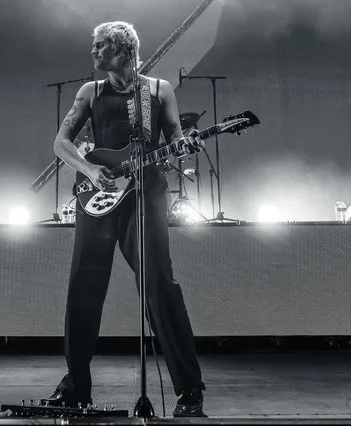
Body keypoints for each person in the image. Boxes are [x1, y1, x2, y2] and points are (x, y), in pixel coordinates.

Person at [49, 21, 207, 417]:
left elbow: (172, 146)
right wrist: (87, 170)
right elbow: (61, 142)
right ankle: (75, 387)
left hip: (146, 192)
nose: (93, 52)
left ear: (123, 51)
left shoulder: (158, 90)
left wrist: (183, 147)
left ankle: (189, 388)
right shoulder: (91, 91)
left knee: (159, 284)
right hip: (99, 195)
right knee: (82, 288)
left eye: (100, 46)